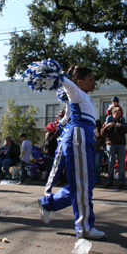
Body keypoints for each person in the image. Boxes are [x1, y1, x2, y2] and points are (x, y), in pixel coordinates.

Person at [38, 66, 105, 240]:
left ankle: (47, 204)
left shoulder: (85, 98)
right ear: (80, 82)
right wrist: (58, 73)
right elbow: (66, 84)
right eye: (90, 79)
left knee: (83, 185)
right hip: (79, 138)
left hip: (85, 139)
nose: (94, 82)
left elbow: (68, 113)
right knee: (83, 185)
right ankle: (84, 227)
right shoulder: (76, 93)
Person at [102, 107, 127, 189]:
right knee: (111, 163)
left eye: (120, 113)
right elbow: (102, 133)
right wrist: (107, 126)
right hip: (111, 144)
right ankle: (109, 181)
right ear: (113, 113)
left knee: (121, 163)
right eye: (118, 113)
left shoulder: (122, 121)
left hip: (121, 144)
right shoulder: (108, 121)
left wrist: (121, 126)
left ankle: (121, 181)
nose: (119, 114)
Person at [94, 119, 105, 184]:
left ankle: (97, 179)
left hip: (98, 150)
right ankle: (92, 179)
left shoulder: (101, 132)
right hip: (92, 149)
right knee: (92, 165)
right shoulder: (92, 131)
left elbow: (104, 140)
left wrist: (102, 146)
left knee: (97, 165)